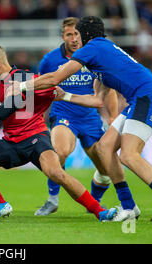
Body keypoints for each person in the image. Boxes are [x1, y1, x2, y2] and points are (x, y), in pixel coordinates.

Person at [9, 16, 152, 223]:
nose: (76, 39)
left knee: (128, 155)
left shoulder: (91, 48)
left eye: (77, 34)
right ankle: (128, 207)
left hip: (147, 98)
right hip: (138, 100)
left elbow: (55, 78)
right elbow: (98, 100)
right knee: (104, 148)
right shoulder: (103, 50)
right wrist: (64, 96)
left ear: (84, 35)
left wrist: (21, 86)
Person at [0, 44, 117, 222]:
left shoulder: (22, 79)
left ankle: (100, 211)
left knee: (57, 174)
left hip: (35, 139)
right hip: (11, 143)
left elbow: (4, 111)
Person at [35, 17, 118, 216]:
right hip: (63, 113)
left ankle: (94, 202)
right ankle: (52, 200)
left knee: (106, 168)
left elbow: (110, 89)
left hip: (90, 116)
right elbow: (41, 87)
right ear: (62, 37)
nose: (73, 38)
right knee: (60, 152)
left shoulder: (94, 56)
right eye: (69, 34)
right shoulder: (50, 60)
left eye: (76, 34)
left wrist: (113, 116)